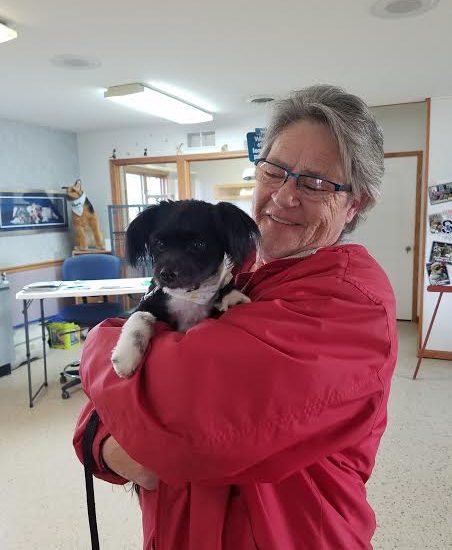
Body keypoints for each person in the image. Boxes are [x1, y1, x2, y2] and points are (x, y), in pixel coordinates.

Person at [73, 84, 397, 550]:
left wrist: (99, 344)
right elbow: (111, 421)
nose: (285, 197)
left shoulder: (350, 303)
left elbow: (184, 423)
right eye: (275, 170)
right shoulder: (237, 268)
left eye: (317, 182)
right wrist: (101, 442)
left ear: (355, 204)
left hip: (286, 536)